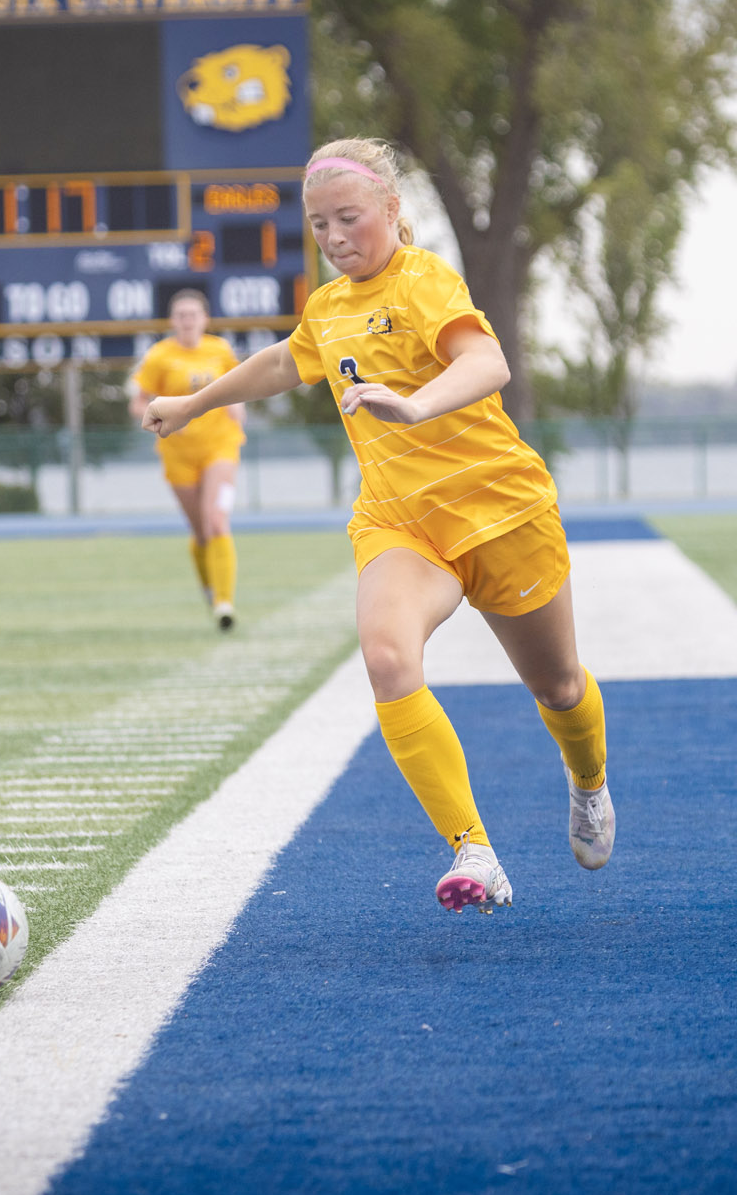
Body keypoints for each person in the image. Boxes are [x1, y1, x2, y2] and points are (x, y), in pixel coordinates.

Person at [143, 138, 614, 915]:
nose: (333, 239)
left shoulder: (425, 281)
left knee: (559, 685)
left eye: (349, 219)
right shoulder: (328, 308)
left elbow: (487, 362)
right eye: (319, 224)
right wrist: (194, 404)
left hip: (499, 511)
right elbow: (283, 365)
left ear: (394, 212)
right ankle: (474, 848)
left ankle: (589, 780)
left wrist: (417, 403)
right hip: (402, 523)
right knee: (387, 657)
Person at [129, 289, 246, 630]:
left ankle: (225, 604)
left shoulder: (219, 349)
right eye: (181, 315)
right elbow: (138, 404)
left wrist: (238, 409)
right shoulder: (160, 355)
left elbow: (236, 387)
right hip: (177, 453)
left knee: (216, 520)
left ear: (204, 319)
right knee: (200, 532)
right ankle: (211, 589)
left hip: (220, 445)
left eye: (193, 314)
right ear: (173, 321)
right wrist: (161, 421)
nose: (187, 321)